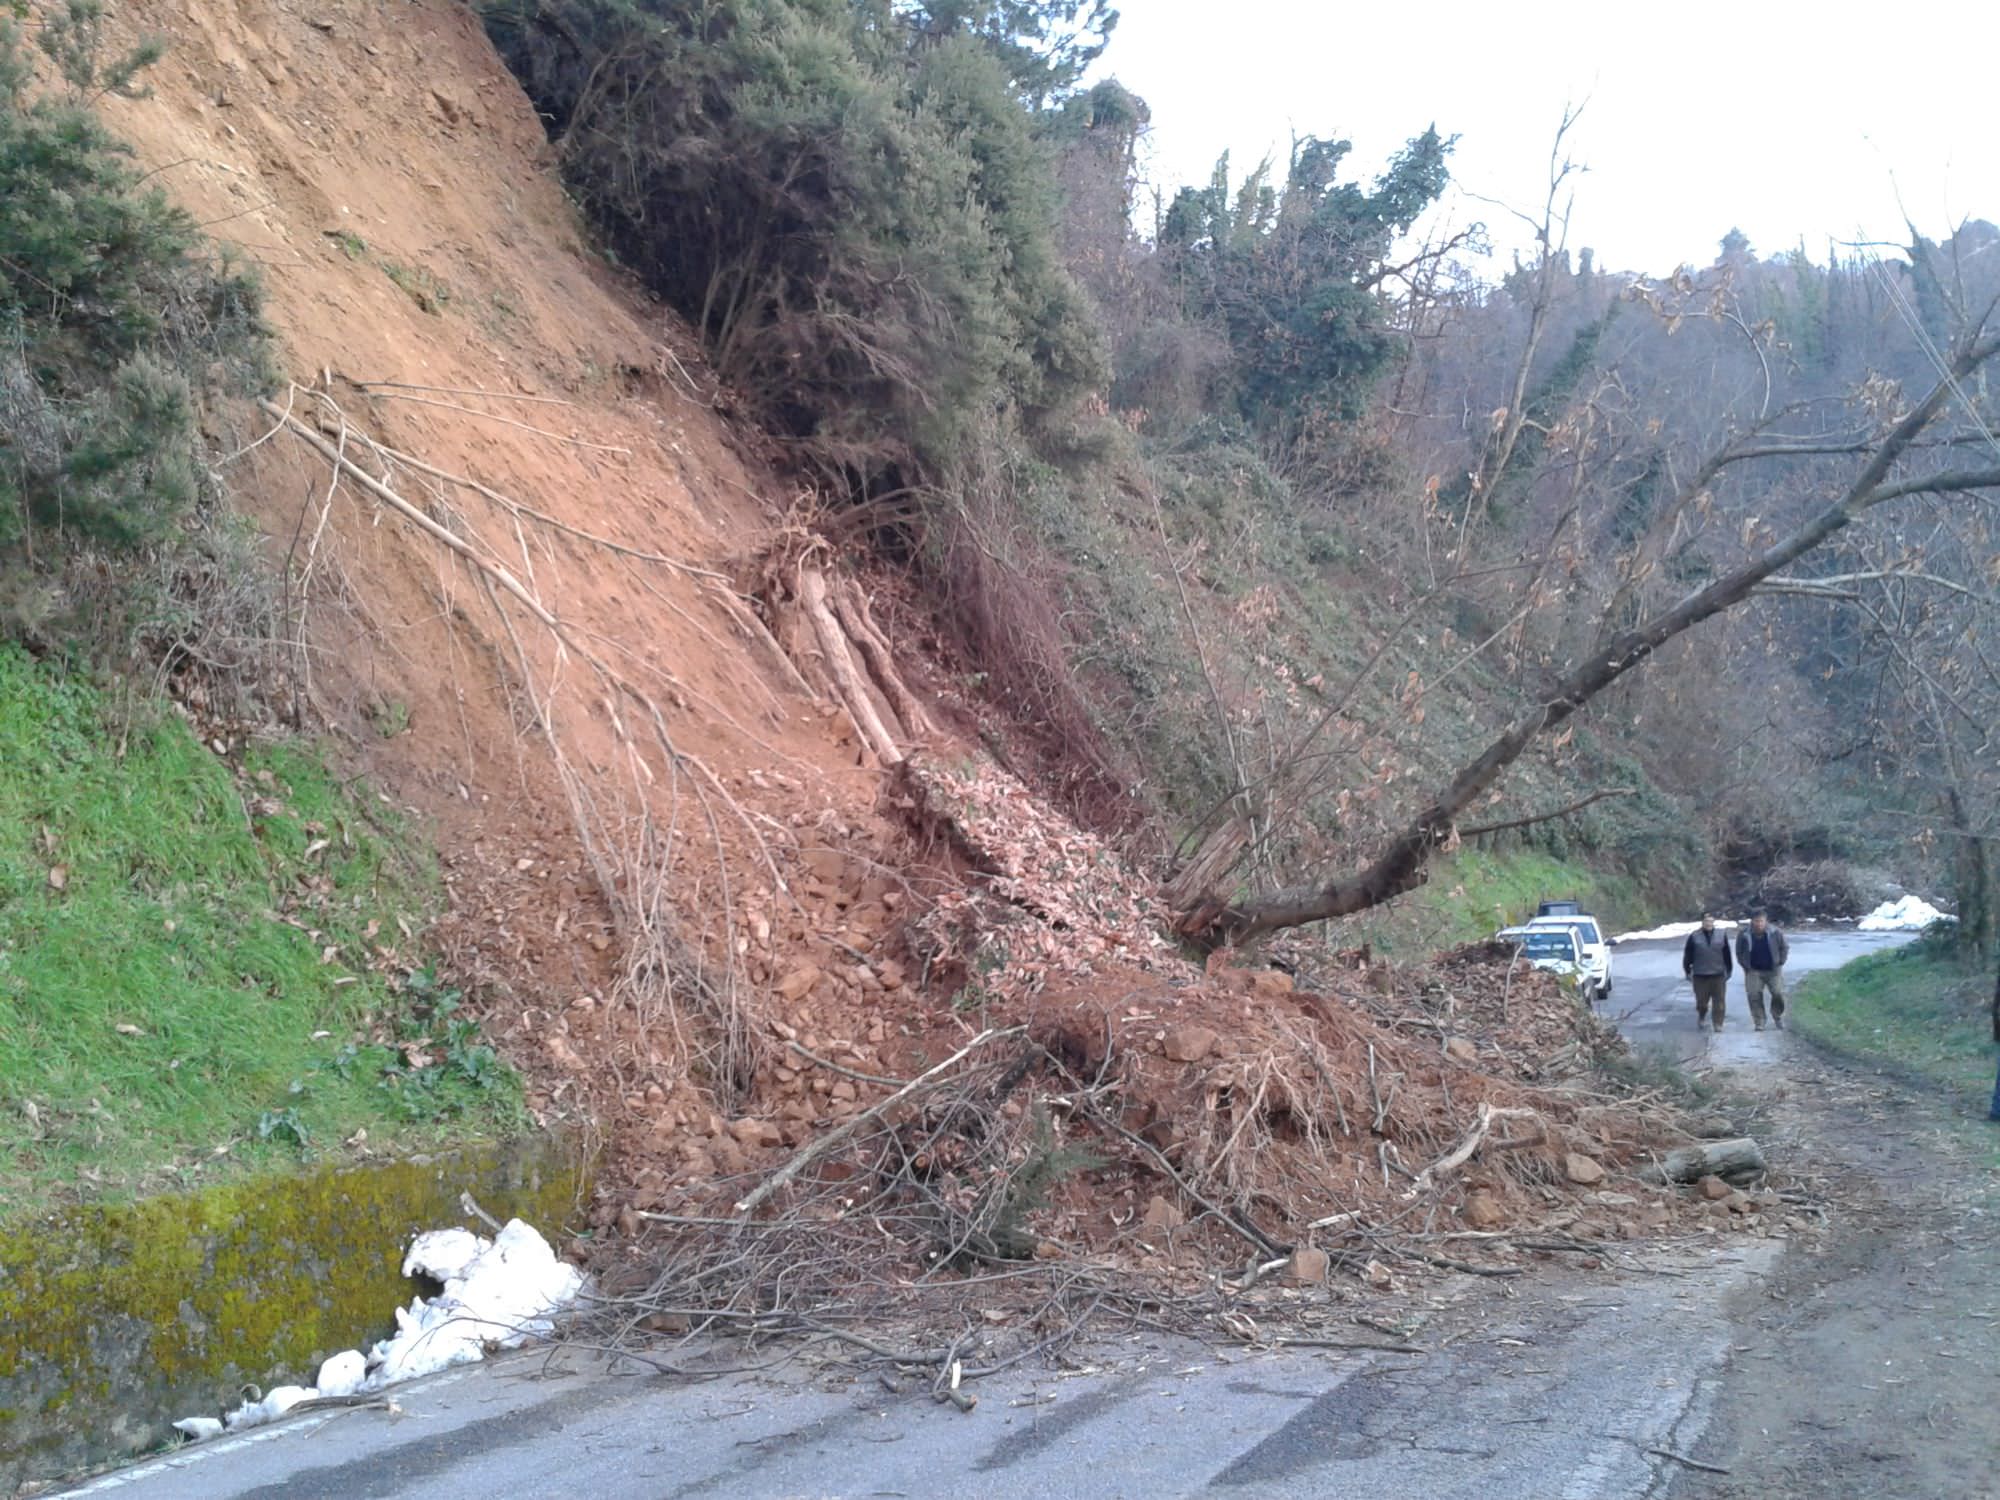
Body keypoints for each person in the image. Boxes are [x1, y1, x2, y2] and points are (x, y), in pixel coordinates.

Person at [1735, 910, 1791, 1032]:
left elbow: (1784, 947)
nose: (1759, 924)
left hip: (1773, 970)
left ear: (1766, 921)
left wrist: (1781, 961)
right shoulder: (1744, 934)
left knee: (1777, 993)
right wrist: (1745, 965)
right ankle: (1759, 1021)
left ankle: (1777, 1016)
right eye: (1756, 921)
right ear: (1752, 922)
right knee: (1753, 995)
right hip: (1753, 970)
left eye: (1761, 921)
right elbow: (1739, 952)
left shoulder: (1775, 932)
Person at [1682, 914, 1734, 1032]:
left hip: (1718, 973)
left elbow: (1727, 954)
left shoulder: (1721, 935)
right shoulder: (1694, 936)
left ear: (1714, 922)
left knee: (1719, 1001)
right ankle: (1702, 1015)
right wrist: (1687, 970)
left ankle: (1718, 1023)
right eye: (1706, 921)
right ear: (1702, 922)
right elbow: (1688, 955)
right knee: (1702, 1002)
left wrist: (1729, 969)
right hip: (1700, 974)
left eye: (1711, 921)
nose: (1708, 923)